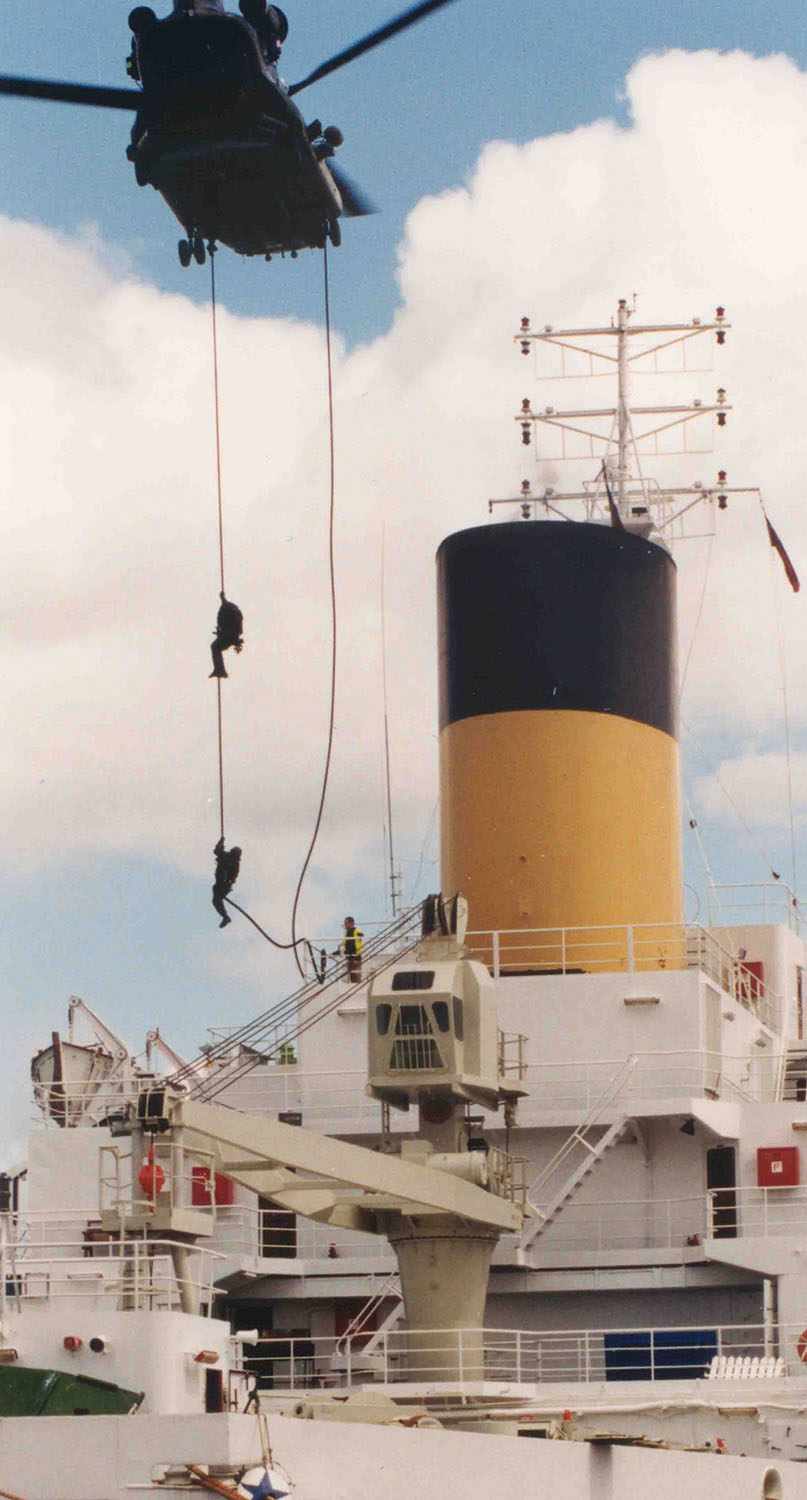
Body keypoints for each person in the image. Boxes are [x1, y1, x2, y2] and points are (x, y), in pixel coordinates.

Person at [210, 592, 244, 679]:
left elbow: (223, 623)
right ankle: (220, 669)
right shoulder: (233, 608)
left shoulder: (227, 608)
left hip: (229, 636)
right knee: (216, 647)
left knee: (215, 646)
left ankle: (220, 670)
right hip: (234, 637)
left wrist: (221, 633)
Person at [212, 837, 242, 927]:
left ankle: (225, 917)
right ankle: (225, 917)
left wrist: (220, 843)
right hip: (222, 884)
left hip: (224, 884)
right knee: (216, 898)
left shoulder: (233, 862)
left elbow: (217, 851)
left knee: (216, 899)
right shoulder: (227, 857)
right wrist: (220, 842)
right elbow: (217, 851)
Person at [336, 916, 363, 983]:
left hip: (356, 957)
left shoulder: (356, 931)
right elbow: (344, 943)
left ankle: (357, 986)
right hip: (349, 957)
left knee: (356, 975)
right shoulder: (347, 933)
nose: (344, 925)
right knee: (352, 975)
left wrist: (359, 935)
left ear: (351, 923)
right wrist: (336, 952)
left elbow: (360, 935)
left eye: (346, 923)